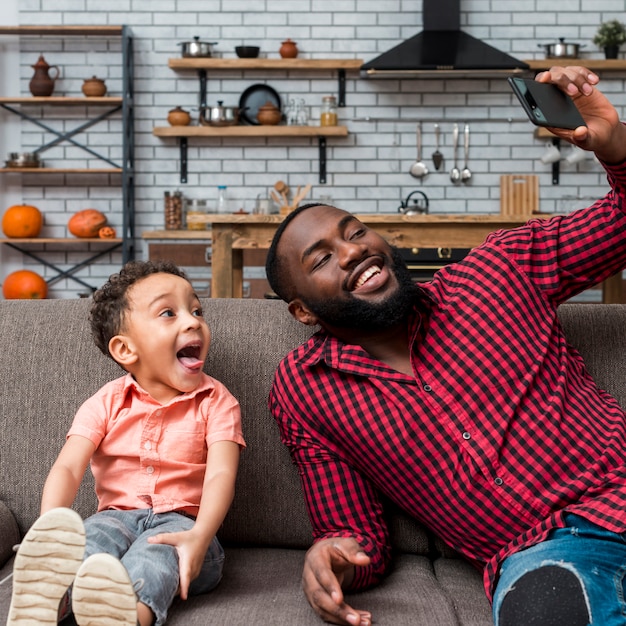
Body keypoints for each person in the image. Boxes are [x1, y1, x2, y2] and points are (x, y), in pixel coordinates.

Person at [265, 66, 626, 626]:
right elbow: (358, 534)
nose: (352, 251)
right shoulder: (304, 391)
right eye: (321, 258)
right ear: (302, 311)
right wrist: (333, 557)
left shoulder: (498, 270)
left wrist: (618, 145)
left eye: (355, 232)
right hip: (547, 558)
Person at [7, 260, 245, 626]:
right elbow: (68, 467)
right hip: (114, 518)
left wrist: (200, 535)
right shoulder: (106, 400)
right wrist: (50, 530)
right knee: (86, 544)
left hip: (183, 528)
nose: (193, 320)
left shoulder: (218, 401)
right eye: (169, 312)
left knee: (152, 560)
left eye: (196, 310)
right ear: (125, 350)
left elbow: (220, 476)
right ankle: (47, 605)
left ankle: (125, 616)